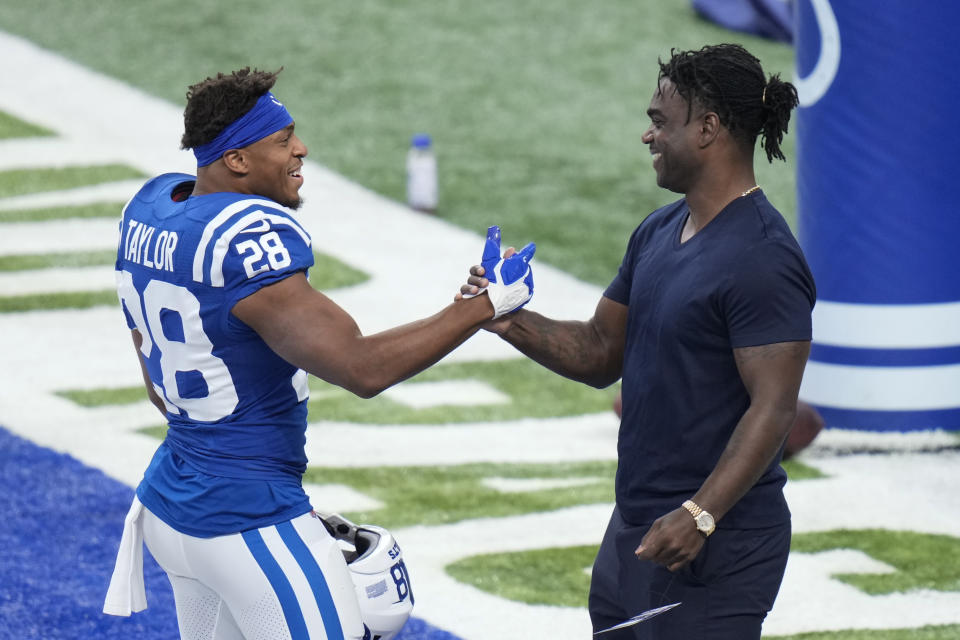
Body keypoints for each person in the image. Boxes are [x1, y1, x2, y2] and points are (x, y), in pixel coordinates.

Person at [102, 67, 535, 640]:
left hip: (171, 501)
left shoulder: (156, 208)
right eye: (282, 141)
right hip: (246, 521)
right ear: (236, 159)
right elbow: (361, 367)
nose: (300, 150)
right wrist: (485, 307)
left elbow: (159, 388)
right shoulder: (247, 237)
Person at [460, 44, 815, 639]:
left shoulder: (764, 258)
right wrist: (508, 317)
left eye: (659, 122)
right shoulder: (658, 230)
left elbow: (774, 408)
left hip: (714, 540)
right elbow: (602, 352)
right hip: (639, 527)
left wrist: (700, 515)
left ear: (708, 129)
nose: (647, 137)